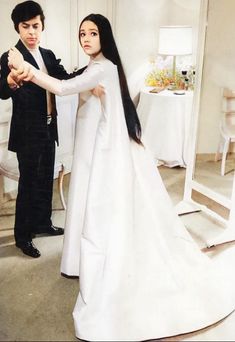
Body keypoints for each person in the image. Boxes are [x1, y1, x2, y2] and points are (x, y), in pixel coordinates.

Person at [9, 14, 235, 342]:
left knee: (100, 218)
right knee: (87, 210)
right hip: (90, 151)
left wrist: (28, 70)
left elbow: (61, 87)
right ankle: (75, 261)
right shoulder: (96, 68)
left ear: (105, 37)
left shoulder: (103, 68)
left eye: (93, 33)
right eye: (82, 33)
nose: (86, 38)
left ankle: (100, 268)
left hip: (103, 156)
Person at [0, 1, 92, 259]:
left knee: (45, 181)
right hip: (28, 132)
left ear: (42, 27)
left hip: (50, 128)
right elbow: (2, 90)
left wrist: (93, 66)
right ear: (18, 28)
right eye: (26, 26)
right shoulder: (11, 56)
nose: (32, 32)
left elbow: (65, 79)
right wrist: (10, 81)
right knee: (28, 185)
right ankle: (22, 236)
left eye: (36, 26)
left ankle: (42, 223)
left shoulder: (48, 55)